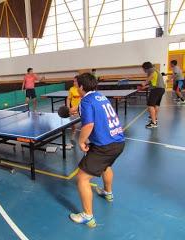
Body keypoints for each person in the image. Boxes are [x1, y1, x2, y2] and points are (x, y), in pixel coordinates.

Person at [69, 73, 125, 228]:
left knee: (82, 178)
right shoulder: (100, 96)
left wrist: (81, 141)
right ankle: (108, 192)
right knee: (106, 166)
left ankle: (87, 216)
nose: (75, 87)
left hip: (104, 146)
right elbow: (88, 110)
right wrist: (73, 110)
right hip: (118, 141)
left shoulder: (85, 101)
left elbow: (88, 125)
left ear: (81, 86)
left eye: (76, 84)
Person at [141, 62, 165, 128]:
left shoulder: (151, 70)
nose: (143, 70)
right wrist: (145, 87)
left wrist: (145, 83)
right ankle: (155, 119)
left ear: (146, 68)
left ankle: (153, 123)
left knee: (150, 105)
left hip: (156, 90)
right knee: (156, 105)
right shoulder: (156, 70)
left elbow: (151, 75)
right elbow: (153, 83)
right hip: (161, 89)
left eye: (143, 68)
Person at [66, 76, 81, 143]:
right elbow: (68, 99)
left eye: (76, 81)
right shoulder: (71, 89)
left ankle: (86, 137)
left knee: (85, 123)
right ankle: (73, 133)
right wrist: (68, 107)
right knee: (73, 124)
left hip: (82, 109)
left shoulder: (82, 89)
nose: (74, 82)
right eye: (74, 81)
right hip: (74, 110)